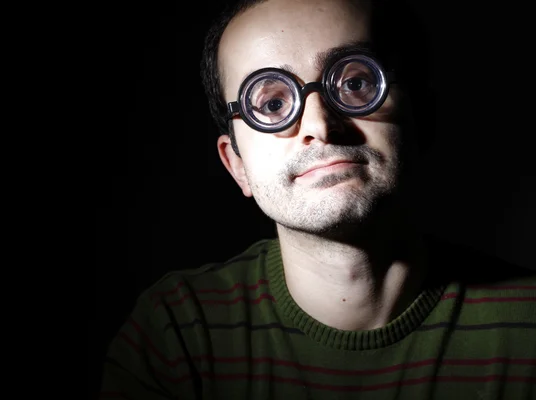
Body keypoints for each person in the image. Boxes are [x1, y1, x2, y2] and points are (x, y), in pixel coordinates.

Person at [99, 0, 536, 398]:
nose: (321, 126)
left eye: (357, 82)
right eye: (270, 105)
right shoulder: (178, 334)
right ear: (237, 165)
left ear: (422, 117)